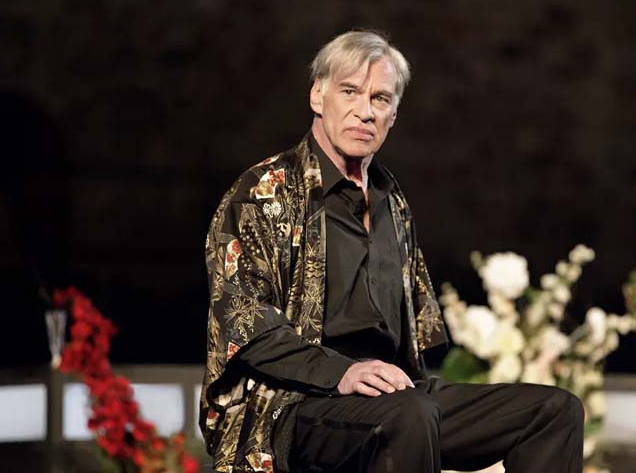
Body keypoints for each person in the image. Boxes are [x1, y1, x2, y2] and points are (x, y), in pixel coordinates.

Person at [200, 30, 584, 473]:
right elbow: (246, 325)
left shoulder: (390, 201)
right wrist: (343, 373)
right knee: (409, 417)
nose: (365, 111)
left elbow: (411, 335)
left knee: (553, 411)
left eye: (380, 98)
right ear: (318, 96)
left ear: (394, 114)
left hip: (393, 395)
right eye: (349, 92)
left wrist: (391, 380)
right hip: (294, 403)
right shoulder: (264, 192)